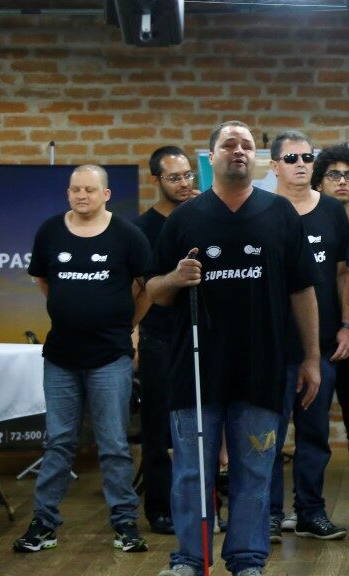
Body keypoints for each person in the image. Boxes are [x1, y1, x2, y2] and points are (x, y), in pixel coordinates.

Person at [147, 120, 322, 576]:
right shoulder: (184, 217)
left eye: (247, 145)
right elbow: (154, 290)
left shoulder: (281, 214)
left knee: (255, 470)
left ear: (258, 159)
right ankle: (189, 558)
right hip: (196, 368)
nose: (239, 150)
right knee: (192, 473)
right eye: (230, 144)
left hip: (262, 367)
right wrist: (174, 278)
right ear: (212, 158)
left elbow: (302, 291)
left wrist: (311, 358)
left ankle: (247, 559)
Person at [17, 165, 151, 554]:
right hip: (61, 357)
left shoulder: (128, 235)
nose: (81, 196)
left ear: (106, 195)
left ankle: (125, 523)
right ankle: (44, 523)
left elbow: (148, 289)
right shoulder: (50, 231)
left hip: (110, 357)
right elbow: (44, 280)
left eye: (90, 190)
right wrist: (70, 311)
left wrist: (129, 325)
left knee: (112, 444)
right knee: (57, 442)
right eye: (75, 189)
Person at [267, 131, 349, 543]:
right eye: (291, 158)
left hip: (319, 347)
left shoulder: (333, 213)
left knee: (315, 435)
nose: (301, 164)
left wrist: (347, 325)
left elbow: (342, 275)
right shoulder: (261, 210)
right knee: (266, 434)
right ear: (274, 166)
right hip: (270, 346)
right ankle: (267, 514)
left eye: (306, 157)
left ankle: (310, 513)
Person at [135, 146, 198, 536]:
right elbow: (143, 287)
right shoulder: (142, 229)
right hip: (160, 336)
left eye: (188, 175)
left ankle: (209, 504)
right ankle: (159, 509)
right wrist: (135, 333)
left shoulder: (202, 218)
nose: (183, 183)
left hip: (201, 333)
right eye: (174, 177)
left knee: (203, 426)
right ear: (155, 180)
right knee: (158, 429)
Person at [313, 142, 349, 524]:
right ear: (318, 181)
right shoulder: (308, 222)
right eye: (333, 175)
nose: (341, 182)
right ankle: (309, 509)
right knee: (313, 431)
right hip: (317, 339)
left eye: (348, 175)